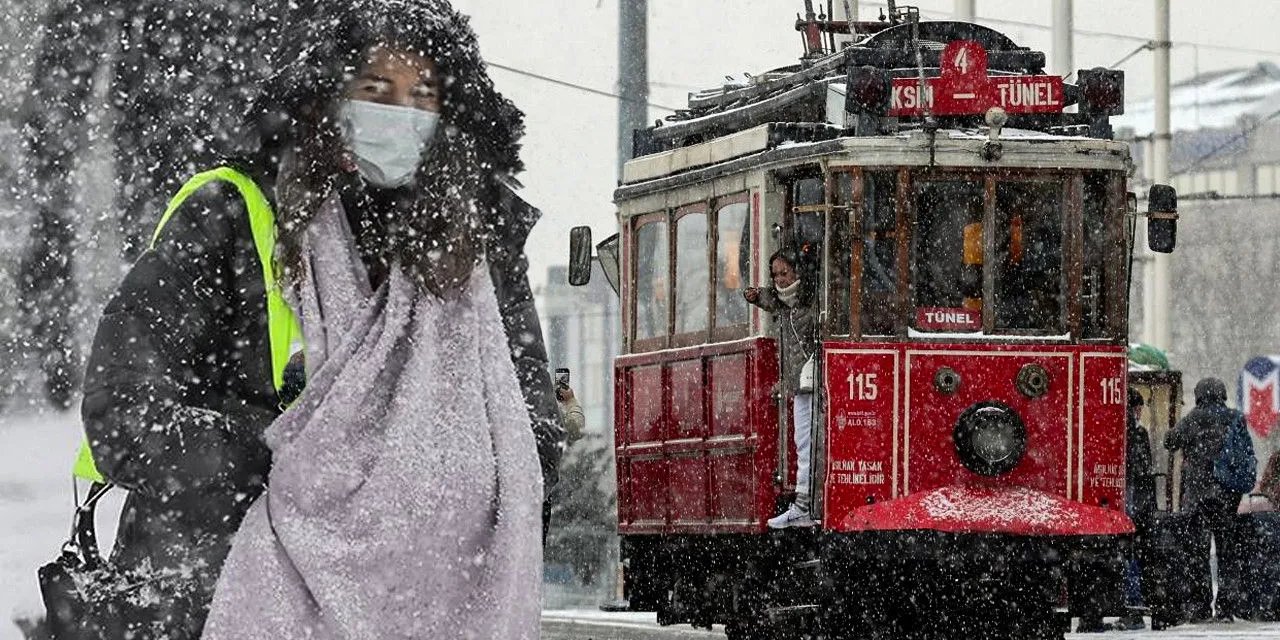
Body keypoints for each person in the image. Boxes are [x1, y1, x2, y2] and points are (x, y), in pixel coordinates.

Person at [78, 1, 562, 638]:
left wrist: (439, 483)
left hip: (417, 604)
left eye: (423, 94)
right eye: (376, 89)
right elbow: (122, 406)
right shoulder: (232, 216)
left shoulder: (474, 247)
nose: (401, 112)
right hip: (218, 591)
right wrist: (282, 466)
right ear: (324, 97)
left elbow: (528, 435)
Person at [1165, 377, 1253, 622]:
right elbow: (1246, 452)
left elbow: (1169, 441)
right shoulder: (1235, 417)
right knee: (1227, 553)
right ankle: (1226, 608)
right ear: (1222, 394)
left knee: (1198, 552)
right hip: (1228, 496)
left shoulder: (1194, 418)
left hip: (1199, 497)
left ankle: (1200, 607)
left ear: (1199, 395)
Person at [744, 248, 819, 529]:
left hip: (815, 384)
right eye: (775, 275)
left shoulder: (811, 301)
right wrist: (754, 296)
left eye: (784, 273)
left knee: (811, 445)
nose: (780, 280)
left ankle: (807, 505)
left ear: (798, 272)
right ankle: (803, 504)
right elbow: (769, 298)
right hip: (799, 384)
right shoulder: (782, 303)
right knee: (803, 444)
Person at [1114, 387, 1157, 630]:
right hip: (1134, 502)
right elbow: (1143, 470)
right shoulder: (1137, 434)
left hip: (1116, 503)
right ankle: (1133, 606)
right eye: (1138, 409)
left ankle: (1124, 605)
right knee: (1131, 554)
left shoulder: (1113, 429)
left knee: (1122, 553)